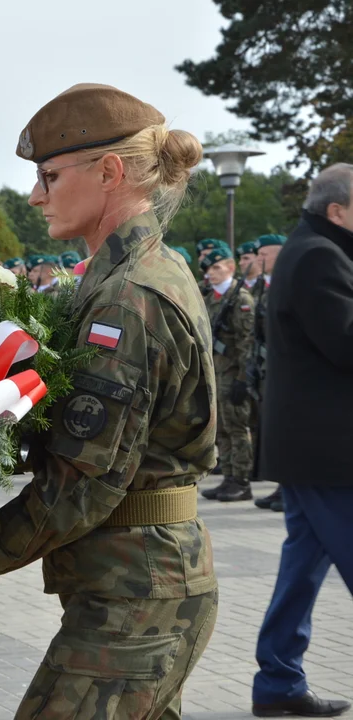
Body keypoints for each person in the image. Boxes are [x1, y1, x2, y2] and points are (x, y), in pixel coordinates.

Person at [0, 83, 218, 718]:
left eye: (52, 176)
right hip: (134, 586)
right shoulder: (129, 276)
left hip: (136, 594)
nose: (36, 196)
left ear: (110, 172)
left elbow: (78, 490)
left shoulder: (127, 300)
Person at [250, 165, 353, 719]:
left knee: (302, 570)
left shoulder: (318, 248)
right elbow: (344, 344)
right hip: (330, 452)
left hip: (315, 448)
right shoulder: (319, 255)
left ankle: (278, 681)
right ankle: (278, 679)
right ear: (338, 210)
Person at [198, 246, 256, 503]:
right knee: (221, 428)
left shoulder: (241, 298)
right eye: (208, 269)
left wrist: (243, 379)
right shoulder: (211, 298)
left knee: (237, 427)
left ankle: (242, 481)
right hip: (217, 373)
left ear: (231, 268)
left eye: (216, 267)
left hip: (234, 374)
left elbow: (247, 342)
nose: (211, 273)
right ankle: (229, 478)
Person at [250, 234, 286, 512]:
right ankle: (282, 485)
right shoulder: (265, 286)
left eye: (265, 254)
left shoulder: (289, 282)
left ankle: (288, 486)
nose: (259, 259)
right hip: (267, 366)